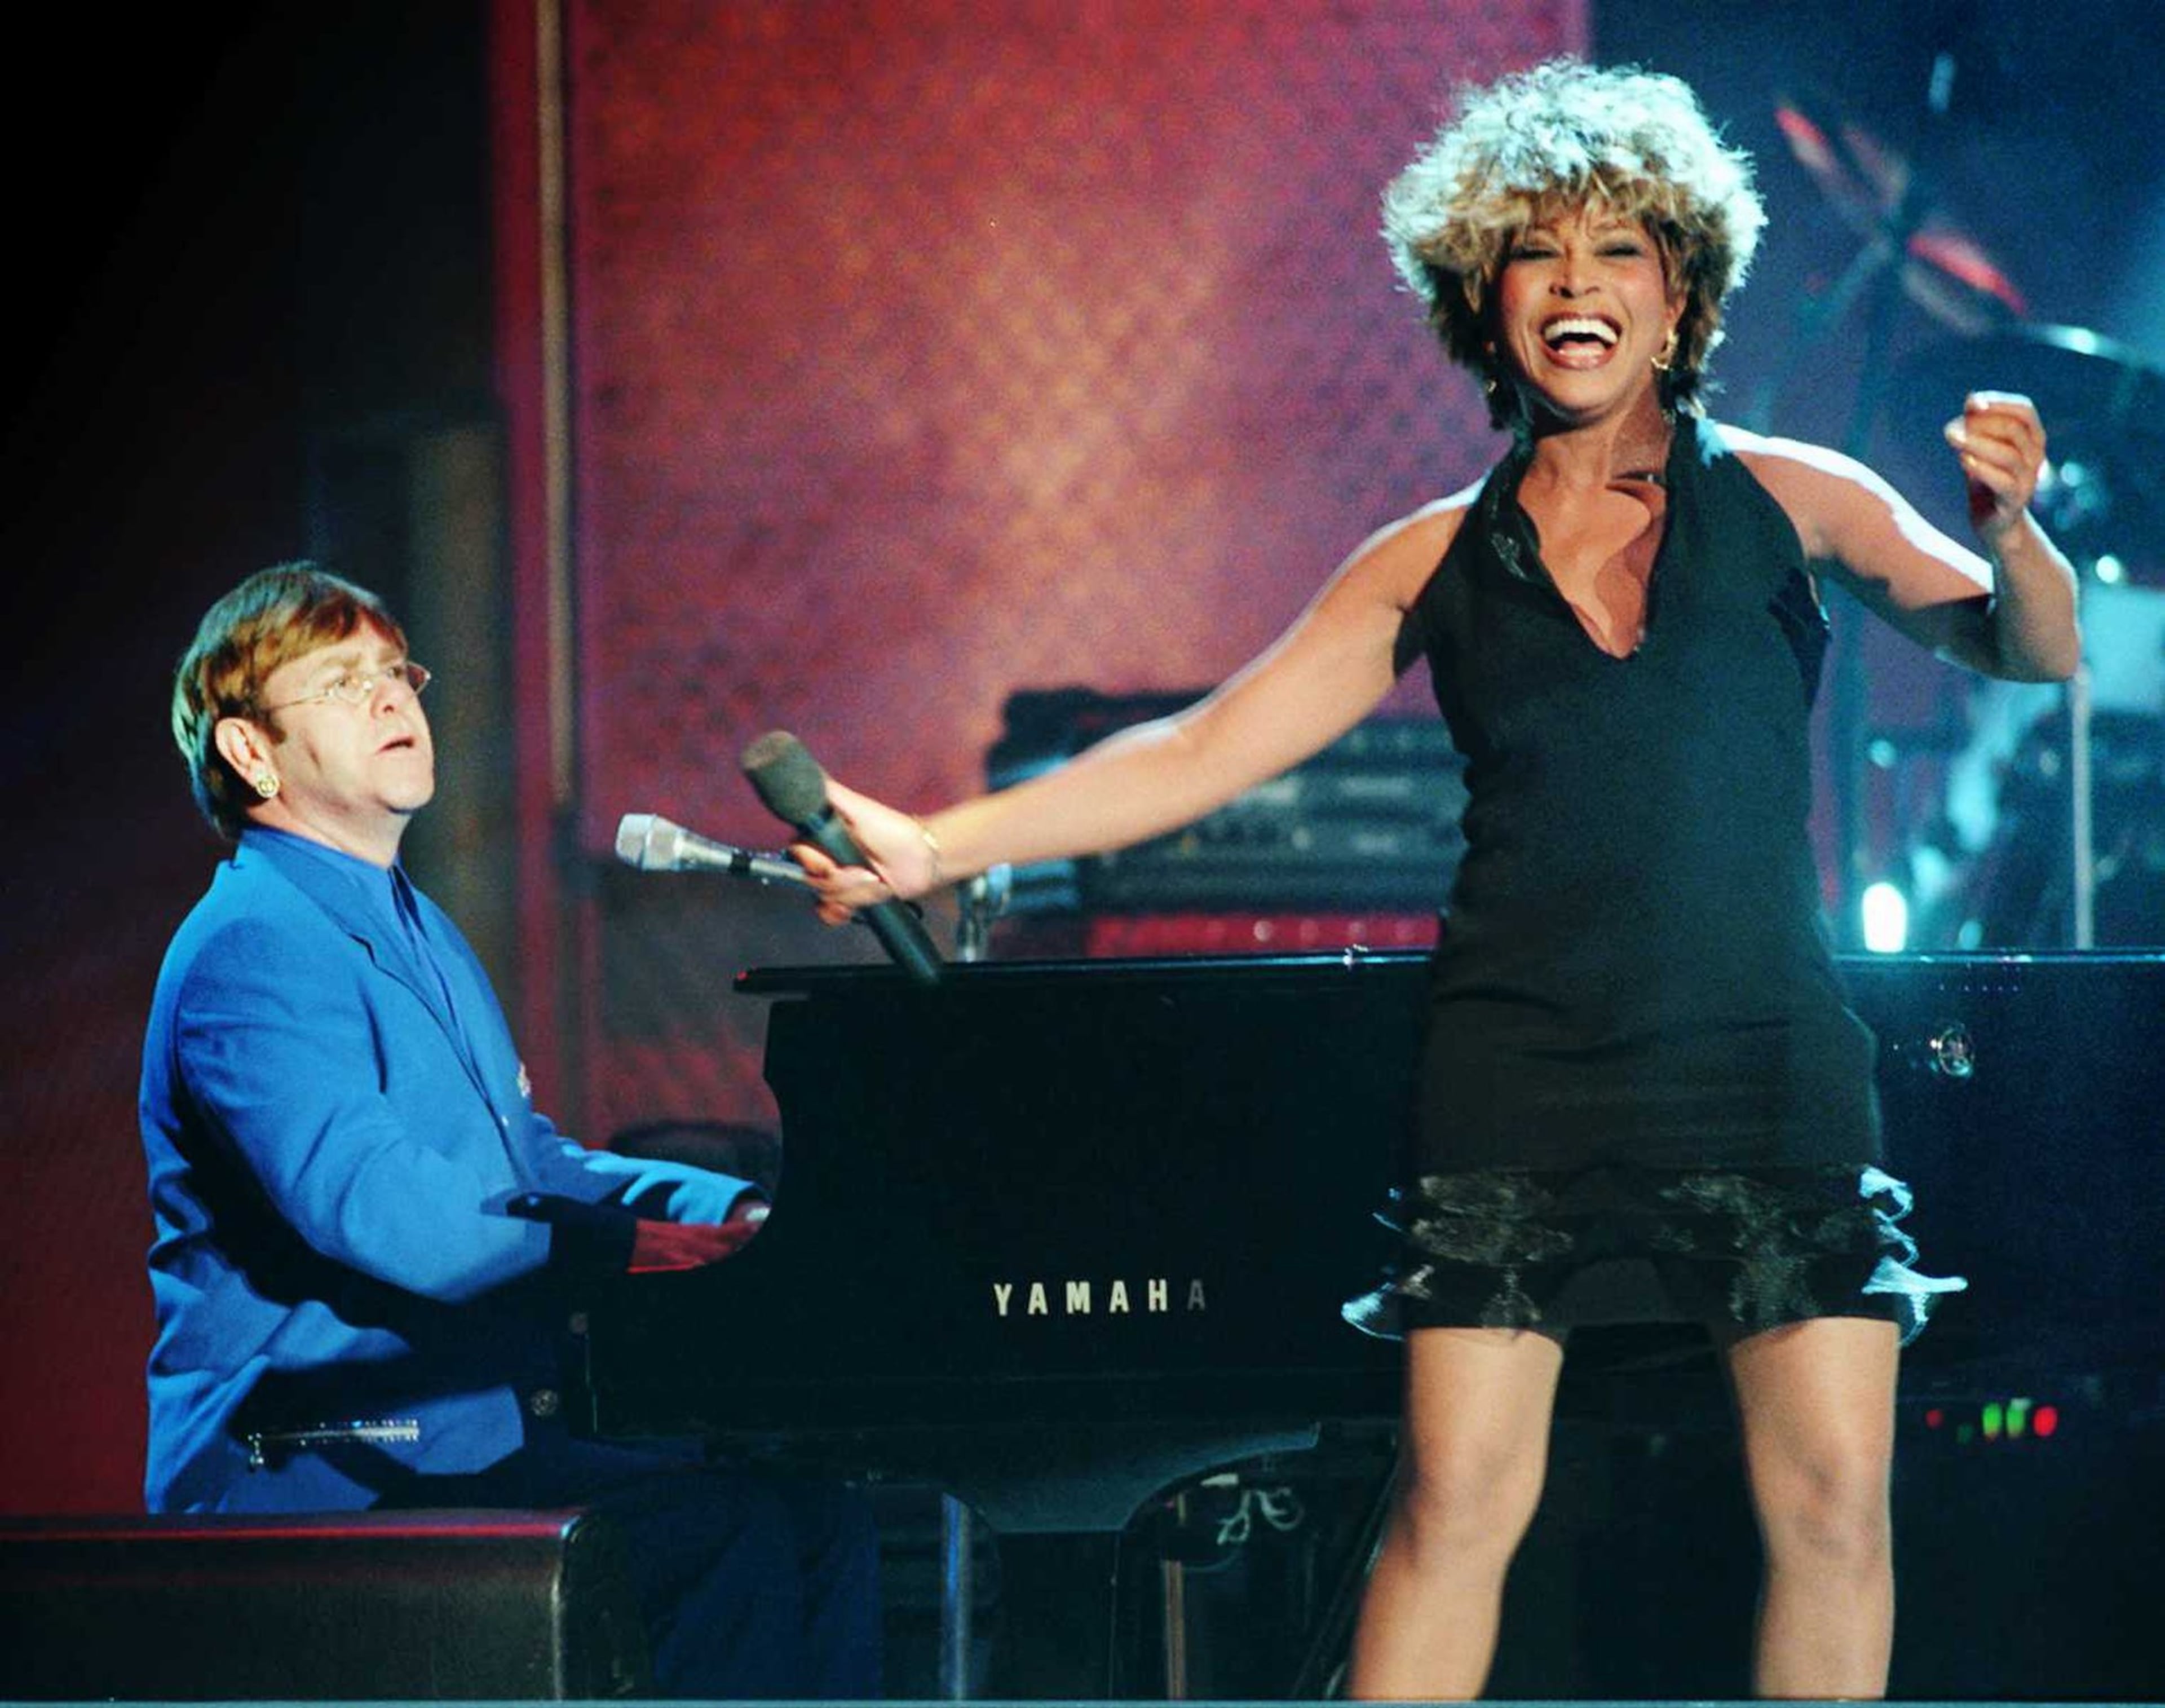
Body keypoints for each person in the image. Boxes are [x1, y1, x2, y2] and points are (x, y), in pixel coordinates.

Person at [785, 60, 2078, 1701]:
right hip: (1518, 1067)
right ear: (1486, 299)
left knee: (1831, 1505)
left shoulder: (1798, 497)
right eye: (1538, 253)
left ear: (1681, 296)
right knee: (1455, 1503)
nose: (1576, 284)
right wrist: (937, 842)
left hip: (1764, 1063)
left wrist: (2015, 532)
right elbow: (1203, 748)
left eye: (1617, 252)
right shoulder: (1428, 555)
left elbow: (2030, 648)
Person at [142, 563, 882, 1699]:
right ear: (251, 751)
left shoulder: (415, 924)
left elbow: (524, 1162)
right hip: (314, 1462)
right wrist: (623, 1249)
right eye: (343, 681)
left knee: (818, 1511)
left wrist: (726, 1209)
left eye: (398, 671)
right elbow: (376, 1205)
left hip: (447, 1438)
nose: (393, 697)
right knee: (732, 1535)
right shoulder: (254, 944)